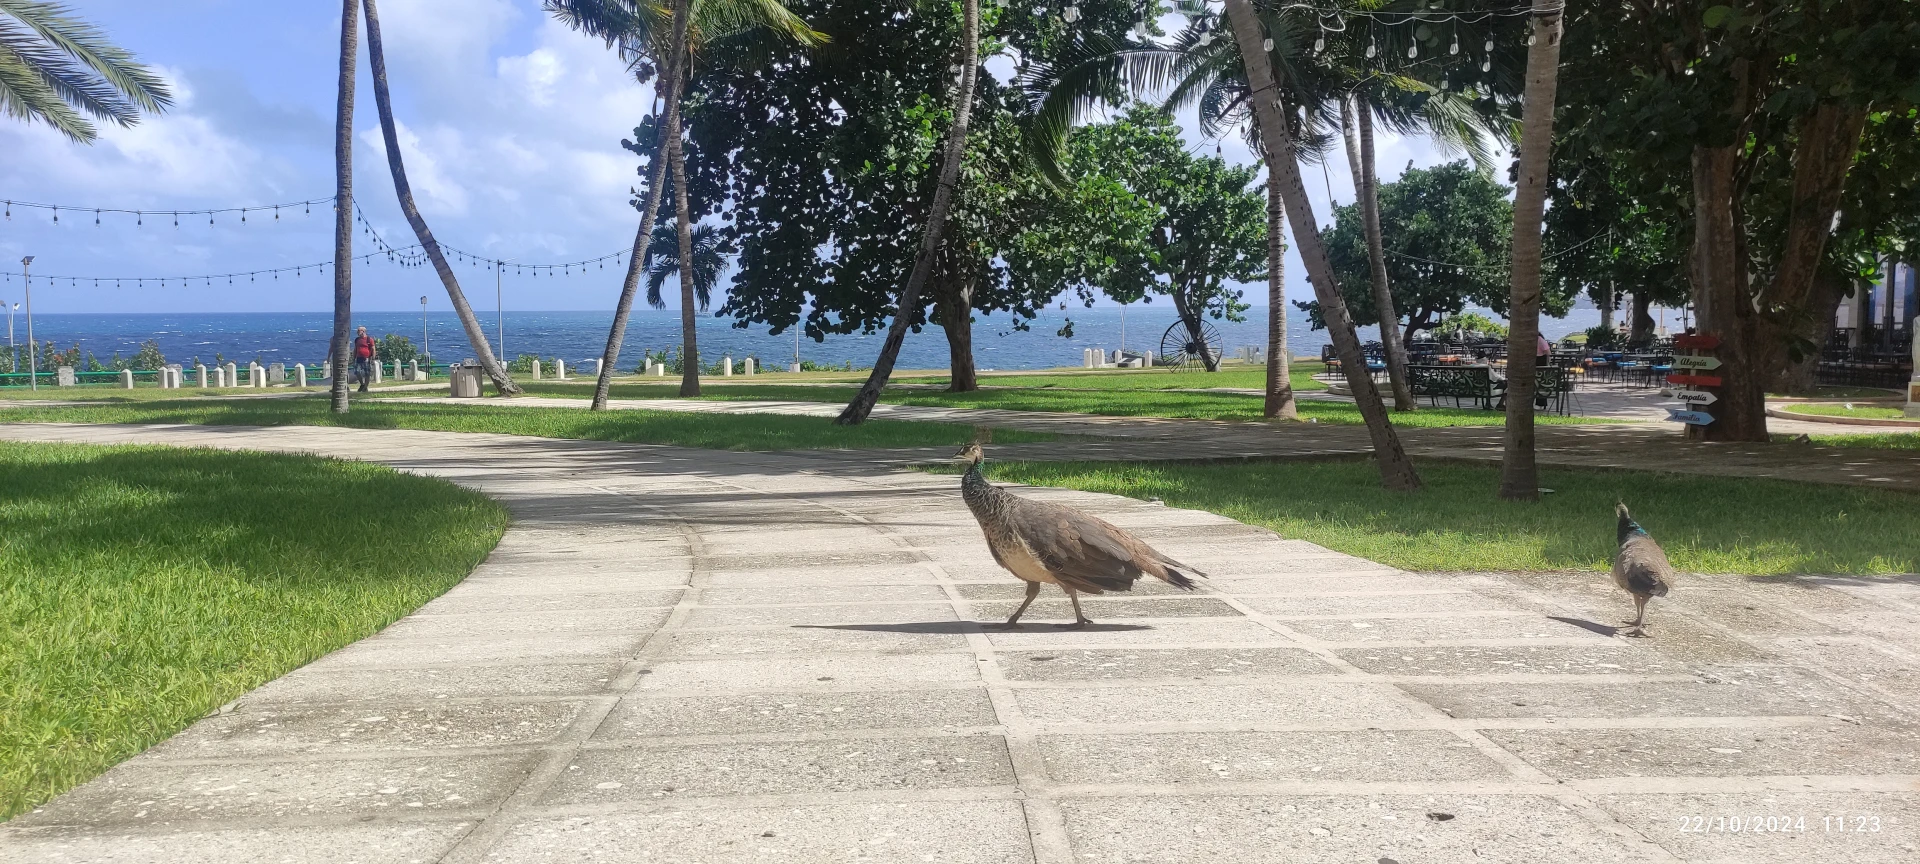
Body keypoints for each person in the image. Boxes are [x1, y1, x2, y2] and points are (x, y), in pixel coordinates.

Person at [352, 326, 376, 393]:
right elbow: (355, 349)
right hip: (358, 358)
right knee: (356, 372)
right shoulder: (357, 340)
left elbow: (373, 349)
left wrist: (373, 358)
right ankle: (362, 384)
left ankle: (365, 387)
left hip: (366, 358)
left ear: (363, 331)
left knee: (367, 374)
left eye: (359, 331)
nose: (357, 332)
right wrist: (354, 358)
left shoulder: (369, 339)